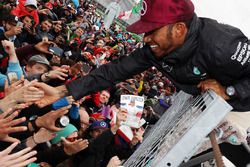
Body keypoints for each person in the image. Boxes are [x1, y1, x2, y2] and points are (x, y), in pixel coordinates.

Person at [34, 0, 250, 165]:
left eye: (152, 30)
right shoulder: (156, 49)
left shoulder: (223, 45)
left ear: (179, 29)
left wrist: (229, 90)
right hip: (201, 102)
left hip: (239, 109)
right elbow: (114, 71)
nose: (145, 38)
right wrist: (64, 90)